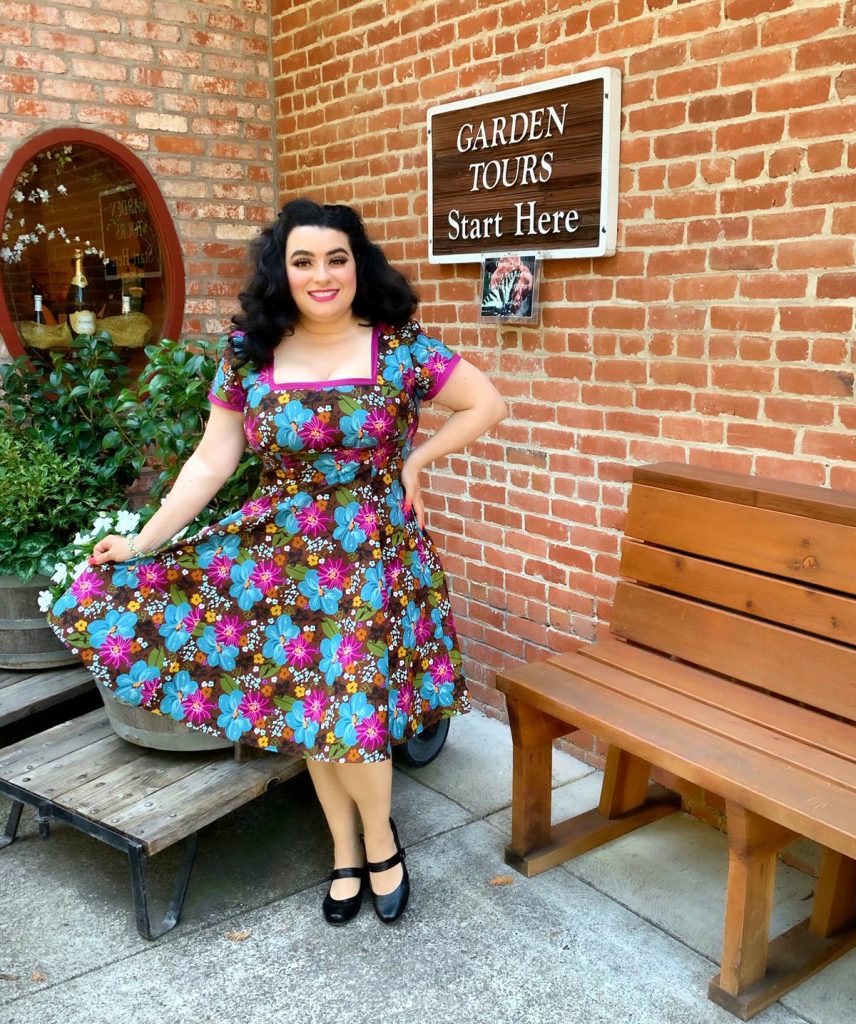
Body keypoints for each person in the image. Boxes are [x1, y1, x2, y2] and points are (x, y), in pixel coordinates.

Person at [47, 198, 506, 926]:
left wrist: (416, 461)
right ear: (281, 272)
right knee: (313, 711)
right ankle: (344, 849)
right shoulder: (250, 354)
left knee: (354, 714)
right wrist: (143, 543)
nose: (322, 275)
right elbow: (211, 460)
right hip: (283, 561)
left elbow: (485, 404)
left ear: (358, 266)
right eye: (303, 261)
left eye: (336, 259)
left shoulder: (401, 347)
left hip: (374, 558)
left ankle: (380, 841)